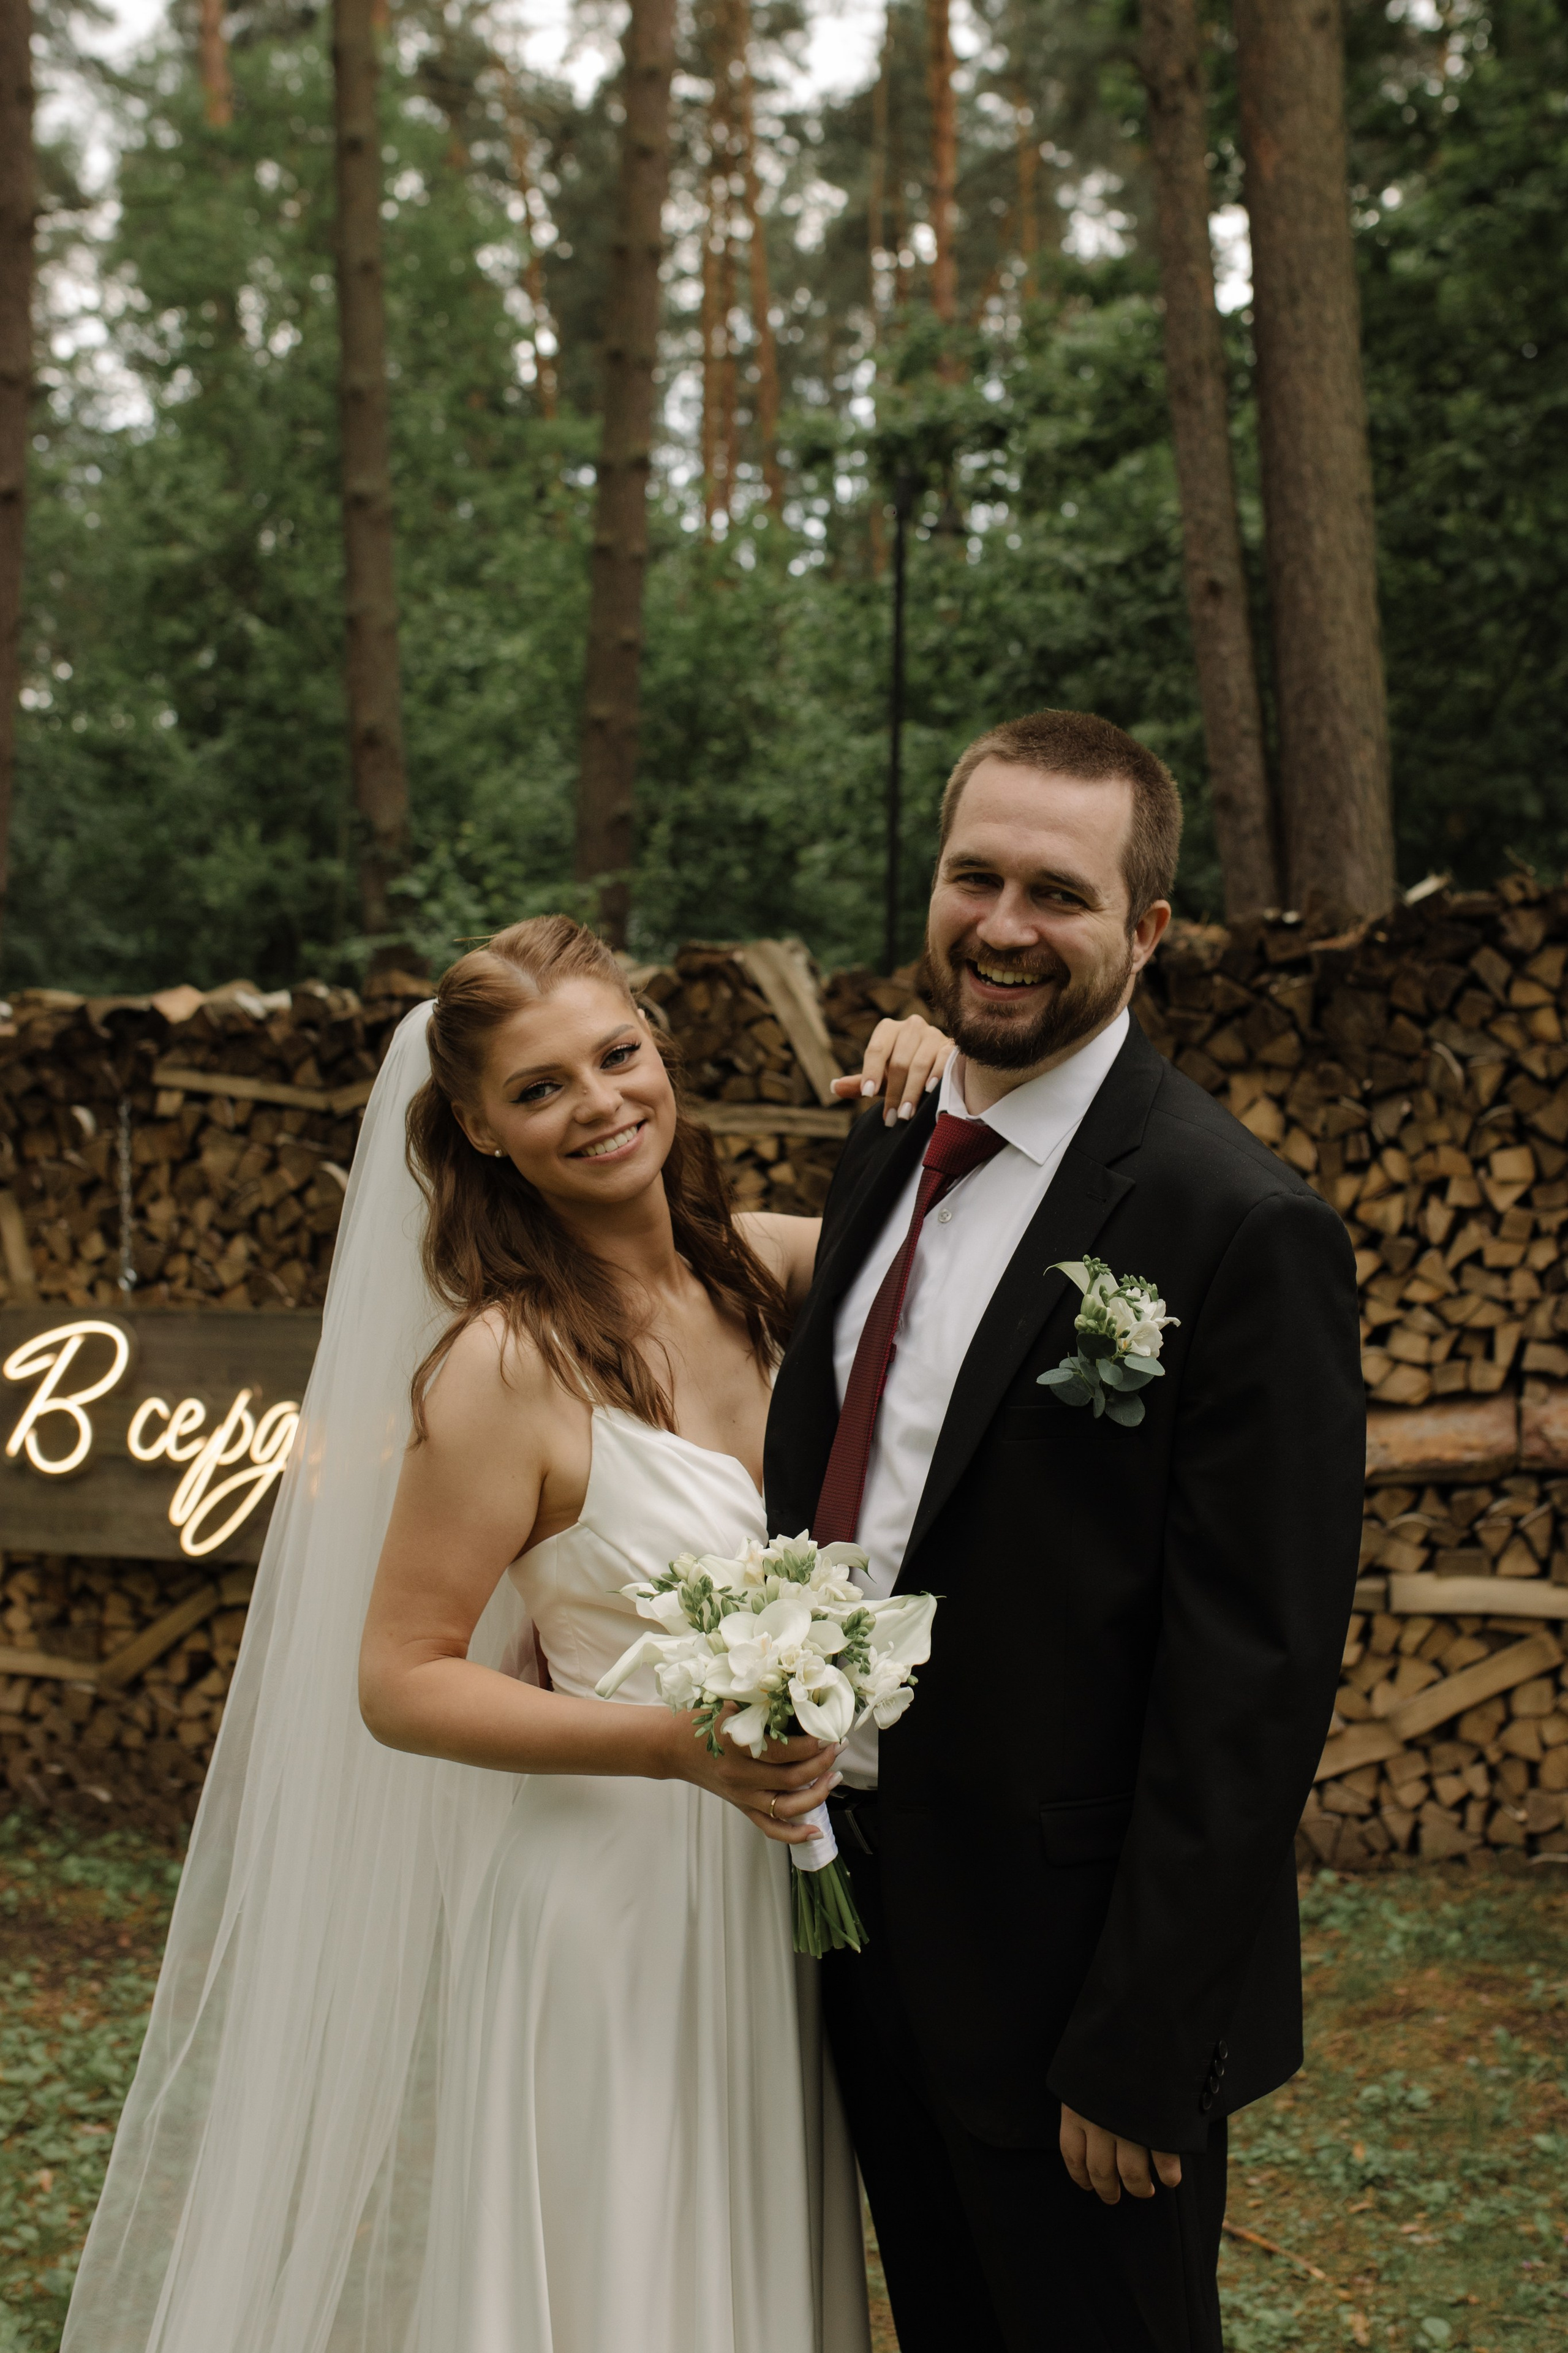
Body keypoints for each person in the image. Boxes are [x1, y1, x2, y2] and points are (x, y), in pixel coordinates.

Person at [61, 916, 952, 2353]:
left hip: (770, 1891)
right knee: (625, 2286)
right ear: (478, 1129)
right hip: (607, 1908)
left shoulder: (767, 1272)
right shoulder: (501, 1365)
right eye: (539, 1089)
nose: (598, 1104)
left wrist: (938, 1069)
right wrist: (675, 1745)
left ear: (660, 1051)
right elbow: (400, 1680)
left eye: (616, 1054)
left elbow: (965, 1243)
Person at [766, 709, 1366, 2353]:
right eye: (976, 876)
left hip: (1072, 1981)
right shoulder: (891, 1137)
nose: (1007, 925)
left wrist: (1143, 2040)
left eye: (1059, 890)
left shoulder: (1236, 1225)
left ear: (1147, 929)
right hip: (854, 1921)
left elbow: (1252, 1682)